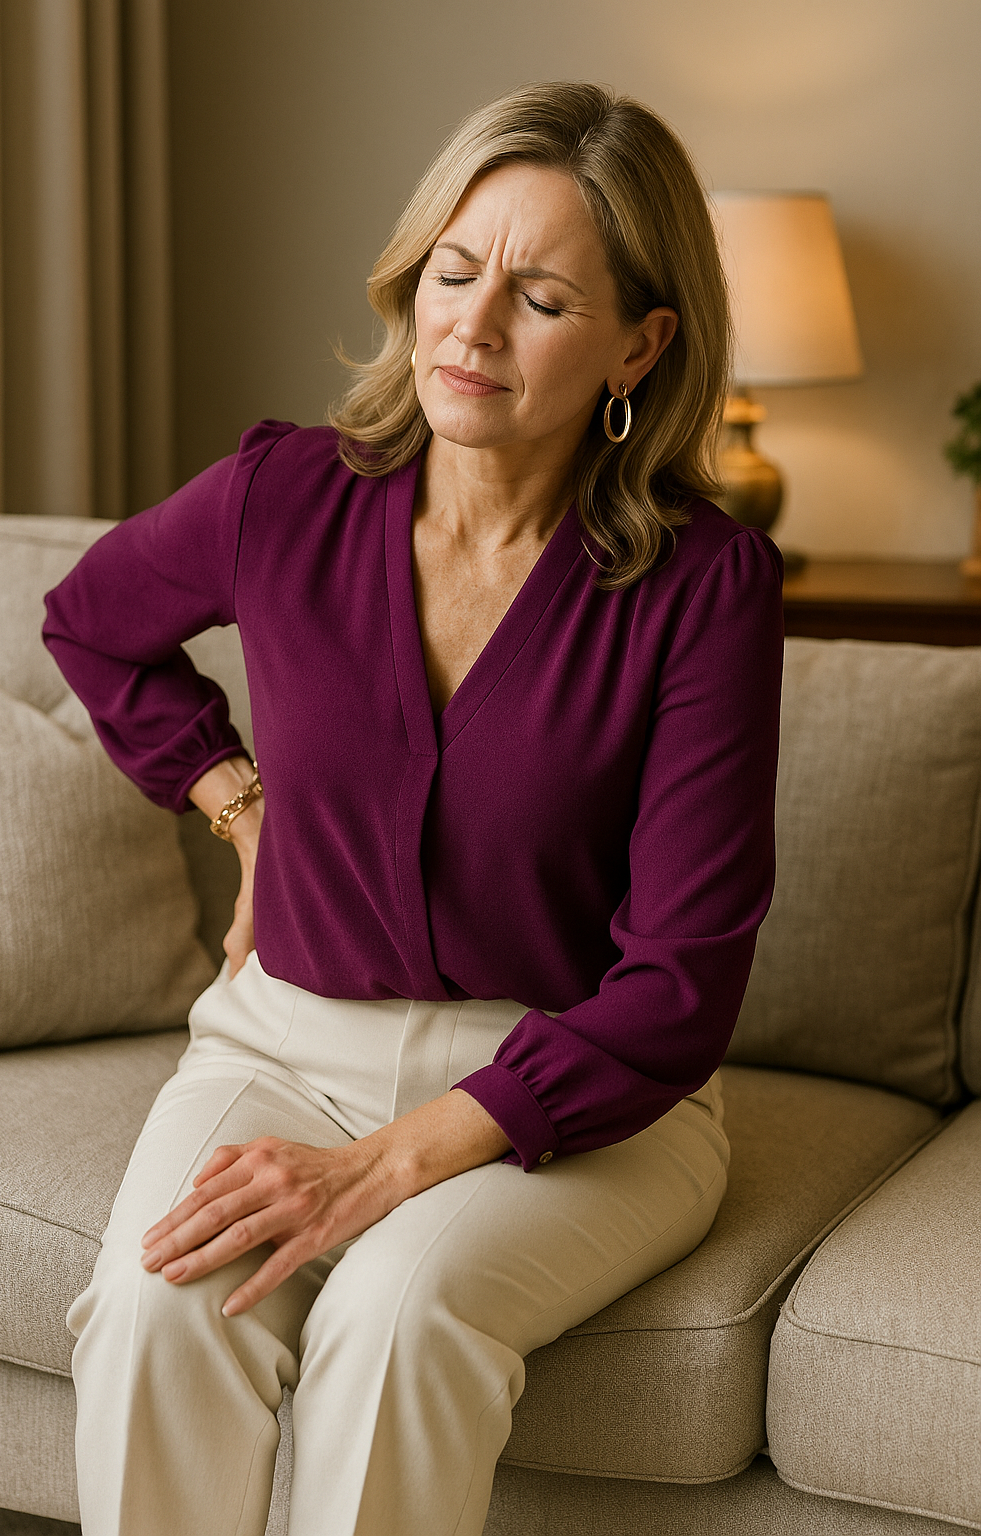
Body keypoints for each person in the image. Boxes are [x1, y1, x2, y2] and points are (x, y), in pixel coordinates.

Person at [42, 80, 783, 1536]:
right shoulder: (282, 496)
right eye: (454, 272)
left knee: (395, 1319)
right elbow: (91, 623)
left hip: (580, 1092)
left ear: (641, 344)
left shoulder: (705, 591)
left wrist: (387, 1165)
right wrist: (241, 806)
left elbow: (681, 989)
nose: (473, 326)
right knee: (152, 1301)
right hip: (284, 1043)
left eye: (542, 300)